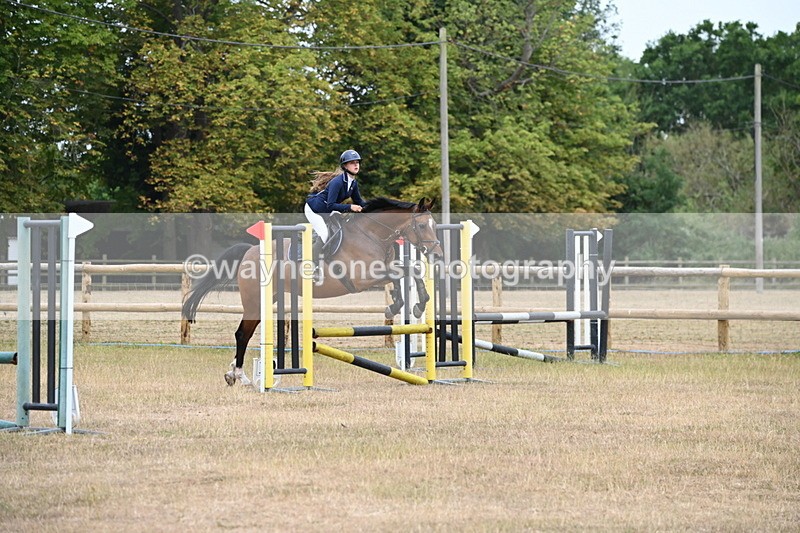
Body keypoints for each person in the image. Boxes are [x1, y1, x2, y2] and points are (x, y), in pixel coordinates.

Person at [305, 149, 367, 257]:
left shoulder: (353, 183)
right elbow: (331, 205)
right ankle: (312, 265)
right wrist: (350, 207)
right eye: (352, 163)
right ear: (345, 166)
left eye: (357, 162)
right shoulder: (337, 182)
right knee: (325, 235)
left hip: (327, 210)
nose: (356, 165)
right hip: (314, 209)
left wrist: (376, 207)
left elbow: (359, 202)